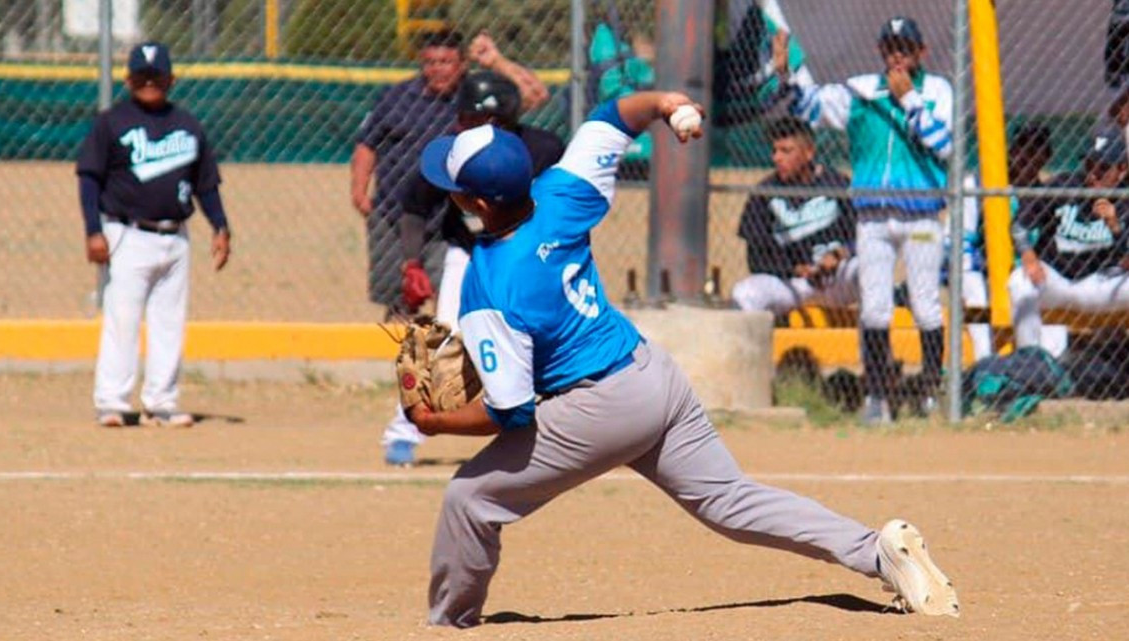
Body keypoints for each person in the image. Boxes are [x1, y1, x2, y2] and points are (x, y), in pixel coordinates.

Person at [410, 91, 959, 627]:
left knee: (470, 498)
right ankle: (876, 553)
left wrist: (435, 423)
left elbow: (509, 410)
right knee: (729, 500)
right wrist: (666, 104)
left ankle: (450, 621)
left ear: (475, 203)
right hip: (652, 375)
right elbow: (612, 117)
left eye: (453, 188)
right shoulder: (561, 192)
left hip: (597, 408)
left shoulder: (491, 283)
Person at [380, 70, 565, 466]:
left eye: (473, 120)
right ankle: (405, 428)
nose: (462, 125)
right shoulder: (452, 153)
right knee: (443, 341)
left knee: (546, 338)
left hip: (528, 257)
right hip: (469, 253)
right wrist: (411, 263)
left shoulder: (543, 150)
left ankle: (563, 431)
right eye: (462, 118)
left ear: (501, 122)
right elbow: (415, 205)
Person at [777, 16, 953, 423]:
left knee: (926, 305)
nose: (896, 56)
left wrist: (909, 99)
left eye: (905, 48)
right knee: (875, 308)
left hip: (922, 215)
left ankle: (930, 390)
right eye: (890, 47)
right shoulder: (862, 91)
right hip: (872, 215)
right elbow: (811, 107)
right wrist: (786, 74)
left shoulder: (937, 91)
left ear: (920, 52)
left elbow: (942, 144)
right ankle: (878, 395)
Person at [76, 41, 231, 428]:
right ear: (128, 80)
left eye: (156, 77)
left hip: (175, 235)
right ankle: (111, 400)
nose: (149, 83)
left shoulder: (187, 125)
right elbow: (89, 179)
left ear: (171, 79)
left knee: (169, 321)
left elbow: (205, 183)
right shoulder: (111, 122)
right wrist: (94, 231)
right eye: (142, 77)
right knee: (122, 319)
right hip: (127, 233)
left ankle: (161, 401)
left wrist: (220, 226)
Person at [350, 30, 547, 319]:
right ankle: (408, 360)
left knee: (451, 290)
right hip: (394, 211)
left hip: (450, 214)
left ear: (463, 64)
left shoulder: (474, 99)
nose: (437, 69)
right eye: (430, 62)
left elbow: (535, 95)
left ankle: (447, 352)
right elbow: (367, 145)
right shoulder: (396, 97)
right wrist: (359, 191)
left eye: (445, 62)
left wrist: (496, 61)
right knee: (397, 298)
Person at [1008, 125, 1129, 349]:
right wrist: (1029, 257)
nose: (1093, 175)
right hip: (1058, 281)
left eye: (1102, 168)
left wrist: (1115, 226)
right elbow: (1019, 225)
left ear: (1122, 169)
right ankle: (1030, 360)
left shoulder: (1125, 199)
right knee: (1019, 280)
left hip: (1100, 285)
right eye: (1089, 164)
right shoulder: (1065, 185)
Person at [731, 115, 858, 320]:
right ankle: (752, 351)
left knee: (868, 271)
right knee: (744, 293)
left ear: (809, 153)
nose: (776, 158)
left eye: (786, 151)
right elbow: (756, 257)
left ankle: (875, 348)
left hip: (836, 281)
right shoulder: (764, 192)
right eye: (774, 150)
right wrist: (794, 269)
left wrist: (840, 254)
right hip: (792, 285)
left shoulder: (837, 184)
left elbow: (866, 236)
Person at [958, 122, 1061, 360]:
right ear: (1012, 150)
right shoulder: (978, 184)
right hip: (980, 270)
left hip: (1022, 273)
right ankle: (985, 361)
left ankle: (1034, 366)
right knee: (975, 291)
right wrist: (982, 268)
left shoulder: (1044, 196)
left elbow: (1047, 249)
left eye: (1037, 150)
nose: (1028, 155)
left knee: (1055, 346)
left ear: (1046, 157)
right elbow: (962, 239)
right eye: (1022, 147)